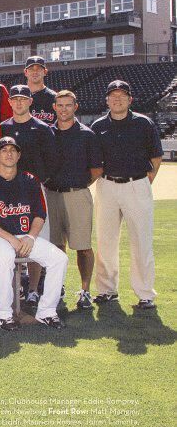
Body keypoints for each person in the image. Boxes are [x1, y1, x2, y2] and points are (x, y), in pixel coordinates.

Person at [0, 137, 68, 331]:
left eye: (13, 150)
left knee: (59, 259)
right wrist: (11, 240)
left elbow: (40, 214)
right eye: (4, 150)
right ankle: (4, 313)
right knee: (5, 258)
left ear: (18, 155)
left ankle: (47, 311)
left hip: (25, 236)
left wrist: (31, 237)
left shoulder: (30, 180)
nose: (9, 154)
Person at [90, 80, 162, 309]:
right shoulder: (98, 125)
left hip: (136, 184)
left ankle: (145, 294)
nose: (117, 99)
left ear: (130, 99)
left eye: (122, 95)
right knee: (105, 241)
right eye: (113, 95)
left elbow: (156, 156)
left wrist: (145, 181)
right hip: (107, 185)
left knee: (141, 241)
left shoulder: (143, 123)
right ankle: (107, 290)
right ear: (107, 100)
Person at [44, 90, 103, 310]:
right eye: (60, 105)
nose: (64, 109)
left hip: (77, 194)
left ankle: (85, 291)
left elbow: (96, 169)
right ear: (54, 107)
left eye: (68, 105)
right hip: (51, 194)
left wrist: (77, 184)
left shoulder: (87, 134)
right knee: (56, 246)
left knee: (83, 246)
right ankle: (57, 287)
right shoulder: (47, 133)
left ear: (75, 107)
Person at [0, 84, 58, 305]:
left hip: (33, 189)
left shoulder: (42, 128)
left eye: (23, 99)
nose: (19, 102)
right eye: (15, 99)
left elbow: (52, 161)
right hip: (5, 189)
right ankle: (9, 289)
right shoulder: (3, 127)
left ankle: (33, 288)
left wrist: (39, 181)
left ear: (30, 102)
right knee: (7, 240)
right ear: (10, 102)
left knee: (37, 239)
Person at [23, 55, 57, 124]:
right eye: (31, 69)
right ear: (25, 72)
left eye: (39, 69)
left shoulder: (54, 98)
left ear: (45, 72)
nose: (35, 72)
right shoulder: (18, 98)